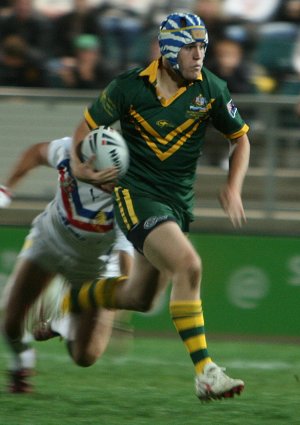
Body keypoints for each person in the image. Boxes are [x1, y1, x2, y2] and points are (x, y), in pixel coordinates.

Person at [69, 12, 250, 402]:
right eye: (190, 46)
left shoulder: (211, 89)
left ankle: (67, 300)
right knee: (189, 265)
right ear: (169, 50)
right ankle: (206, 372)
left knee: (140, 298)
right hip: (136, 195)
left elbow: (241, 139)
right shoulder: (128, 88)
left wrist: (233, 187)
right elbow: (83, 130)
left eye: (202, 46)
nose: (199, 54)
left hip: (177, 204)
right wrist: (83, 168)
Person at [1, 135, 134, 393]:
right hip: (50, 242)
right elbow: (36, 152)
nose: (112, 183)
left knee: (85, 356)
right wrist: (6, 189)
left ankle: (63, 315)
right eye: (105, 176)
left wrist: (122, 314)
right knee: (11, 322)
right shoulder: (68, 152)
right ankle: (22, 362)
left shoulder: (128, 196)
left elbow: (127, 261)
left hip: (95, 268)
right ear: (88, 164)